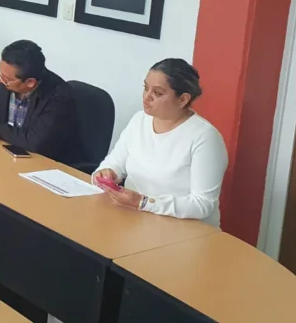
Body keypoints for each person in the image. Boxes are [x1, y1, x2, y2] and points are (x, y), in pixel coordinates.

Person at [93, 59, 228, 228]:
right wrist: (107, 173)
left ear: (183, 99)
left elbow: (202, 204)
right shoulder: (139, 120)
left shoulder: (204, 137)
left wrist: (144, 202)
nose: (146, 97)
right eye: (145, 88)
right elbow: (115, 163)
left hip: (185, 230)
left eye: (157, 93)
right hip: (134, 220)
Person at [0, 40, 84, 165]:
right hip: (2, 157)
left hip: (42, 165)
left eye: (6, 79)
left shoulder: (59, 98)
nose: (0, 80)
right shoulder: (5, 81)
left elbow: (35, 142)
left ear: (30, 82)